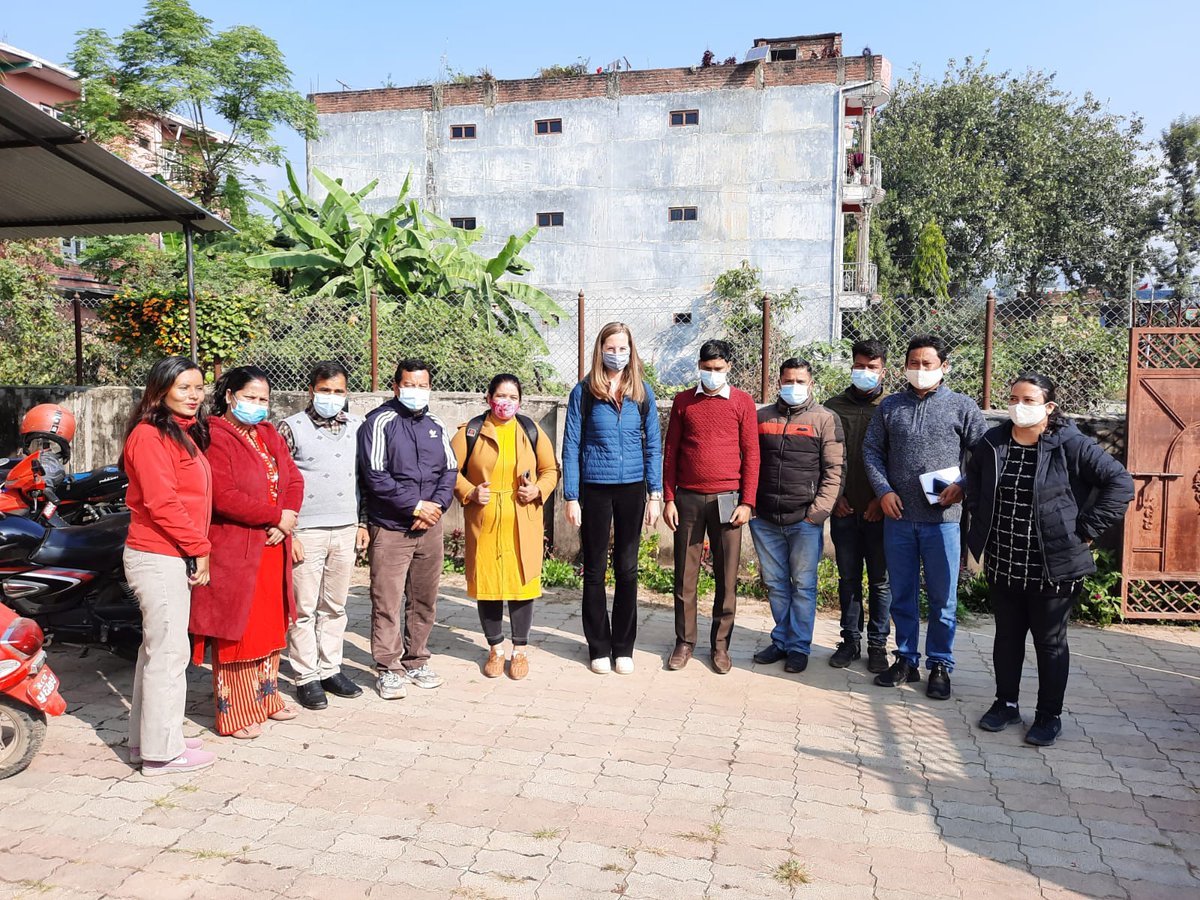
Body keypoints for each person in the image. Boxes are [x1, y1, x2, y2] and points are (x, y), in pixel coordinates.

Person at [967, 373, 1133, 746]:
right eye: (1013, 399)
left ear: (1049, 406)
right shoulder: (993, 441)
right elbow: (974, 478)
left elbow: (1120, 484)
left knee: (1049, 641)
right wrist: (979, 514)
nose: (1018, 406)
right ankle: (1005, 704)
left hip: (1054, 563)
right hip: (1006, 558)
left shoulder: (1071, 444)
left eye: (1028, 400)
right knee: (1007, 637)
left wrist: (1088, 530)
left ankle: (1048, 715)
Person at [863, 334, 986, 700]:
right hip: (898, 517)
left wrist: (964, 485)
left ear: (944, 367)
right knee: (902, 594)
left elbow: (983, 457)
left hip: (944, 520)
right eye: (913, 363)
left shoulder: (963, 407)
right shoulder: (890, 407)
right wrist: (883, 491)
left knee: (942, 598)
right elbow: (871, 451)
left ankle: (940, 665)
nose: (919, 370)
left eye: (927, 364)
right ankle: (905, 659)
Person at [190, 366, 305, 740]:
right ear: (229, 396)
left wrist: (287, 518)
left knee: (271, 625)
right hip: (237, 548)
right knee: (239, 628)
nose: (258, 405)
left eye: (263, 399)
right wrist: (276, 516)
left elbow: (294, 479)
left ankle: (266, 698)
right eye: (250, 397)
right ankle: (235, 711)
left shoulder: (269, 434)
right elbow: (224, 496)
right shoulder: (213, 436)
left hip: (273, 546)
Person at [121, 357, 215, 775]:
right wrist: (200, 546)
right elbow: (162, 503)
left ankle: (152, 739)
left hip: (170, 552)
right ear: (160, 392)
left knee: (156, 651)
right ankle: (162, 754)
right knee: (168, 654)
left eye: (198, 388)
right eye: (184, 388)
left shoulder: (180, 434)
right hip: (158, 554)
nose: (194, 396)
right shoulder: (149, 437)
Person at [562, 322, 662, 675]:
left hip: (633, 489)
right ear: (600, 349)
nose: (617, 354)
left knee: (628, 568)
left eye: (623, 348)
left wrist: (655, 494)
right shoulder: (584, 392)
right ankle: (598, 647)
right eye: (611, 347)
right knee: (594, 569)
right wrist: (571, 496)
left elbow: (653, 446)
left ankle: (623, 647)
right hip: (595, 487)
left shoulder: (641, 392)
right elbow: (571, 444)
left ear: (631, 351)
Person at [358, 358, 457, 699]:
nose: (416, 391)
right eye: (409, 385)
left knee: (424, 599)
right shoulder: (379, 422)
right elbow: (375, 475)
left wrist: (436, 508)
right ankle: (388, 667)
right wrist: (414, 506)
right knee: (386, 599)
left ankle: (416, 660)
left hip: (430, 526)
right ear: (396, 386)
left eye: (422, 385)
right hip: (391, 527)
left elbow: (449, 471)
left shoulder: (436, 424)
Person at [451, 374, 559, 679]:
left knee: (521, 586)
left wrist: (538, 489)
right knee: (488, 587)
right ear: (488, 398)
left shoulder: (530, 430)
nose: (506, 402)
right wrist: (470, 491)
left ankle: (520, 651)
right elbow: (448, 470)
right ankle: (496, 648)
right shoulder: (470, 432)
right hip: (484, 521)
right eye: (500, 396)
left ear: (520, 401)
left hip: (522, 522)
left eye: (513, 397)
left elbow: (550, 469)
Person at [662, 339, 760, 674]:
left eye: (718, 369)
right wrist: (669, 498)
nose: (712, 374)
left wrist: (748, 501)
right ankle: (684, 642)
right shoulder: (684, 402)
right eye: (707, 368)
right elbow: (671, 452)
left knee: (726, 576)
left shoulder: (743, 403)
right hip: (688, 498)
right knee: (684, 577)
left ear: (728, 368)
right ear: (699, 367)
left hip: (728, 500)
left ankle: (720, 647)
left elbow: (752, 455)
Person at [279, 361, 369, 710]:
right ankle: (305, 676)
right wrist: (290, 532)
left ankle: (330, 669)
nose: (332, 397)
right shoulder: (291, 428)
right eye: (325, 391)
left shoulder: (357, 427)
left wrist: (362, 524)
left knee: (335, 605)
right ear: (311, 390)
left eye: (338, 392)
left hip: (345, 529)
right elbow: (280, 483)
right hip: (306, 531)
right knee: (303, 608)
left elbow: (364, 479)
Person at [750, 358, 843, 674]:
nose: (794, 387)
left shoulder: (825, 419)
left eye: (800, 381)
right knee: (776, 583)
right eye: (788, 381)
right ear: (779, 382)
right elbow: (749, 463)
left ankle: (799, 647)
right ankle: (781, 641)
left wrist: (816, 515)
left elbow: (834, 471)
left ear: (811, 383)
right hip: (764, 518)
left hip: (804, 521)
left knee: (803, 584)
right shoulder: (761, 417)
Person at [824, 340, 893, 673]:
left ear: (884, 370)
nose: (865, 372)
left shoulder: (894, 407)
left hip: (882, 511)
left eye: (872, 366)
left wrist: (882, 499)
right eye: (859, 365)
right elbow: (823, 457)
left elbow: (900, 460)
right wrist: (834, 498)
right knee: (848, 579)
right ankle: (850, 641)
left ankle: (878, 646)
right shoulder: (833, 406)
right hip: (844, 510)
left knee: (880, 582)